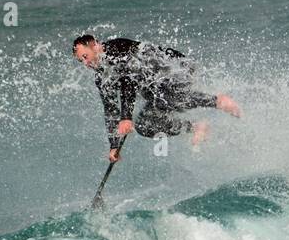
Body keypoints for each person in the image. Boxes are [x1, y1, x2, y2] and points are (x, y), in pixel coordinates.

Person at [72, 34, 241, 164]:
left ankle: (217, 101)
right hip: (159, 87)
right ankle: (195, 127)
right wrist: (114, 145)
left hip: (176, 66)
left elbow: (128, 82)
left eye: (85, 56)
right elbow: (110, 110)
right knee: (145, 126)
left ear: (94, 45)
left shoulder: (116, 50)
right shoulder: (102, 76)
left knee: (160, 95)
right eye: (81, 61)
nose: (86, 63)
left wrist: (126, 117)